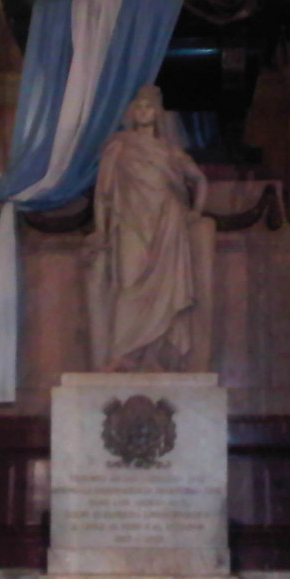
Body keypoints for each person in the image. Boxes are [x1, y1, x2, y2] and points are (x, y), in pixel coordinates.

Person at [85, 83, 215, 372]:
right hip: (130, 223)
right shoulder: (118, 146)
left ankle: (152, 357)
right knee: (129, 285)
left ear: (157, 113)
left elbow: (199, 180)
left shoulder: (169, 151)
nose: (144, 111)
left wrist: (195, 211)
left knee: (165, 293)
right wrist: (102, 230)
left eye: (149, 107)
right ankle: (121, 354)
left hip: (167, 224)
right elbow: (103, 195)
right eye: (139, 106)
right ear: (132, 112)